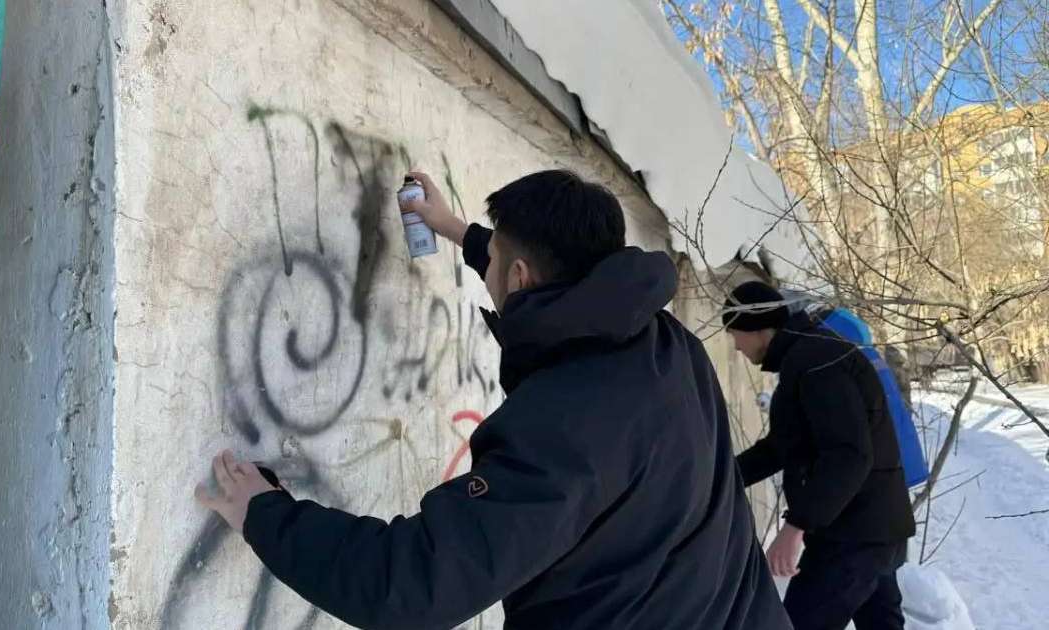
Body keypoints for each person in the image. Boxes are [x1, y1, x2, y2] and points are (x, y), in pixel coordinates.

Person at [195, 170, 790, 629]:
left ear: (522, 276)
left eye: (500, 259)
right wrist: (455, 229)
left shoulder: (563, 426)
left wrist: (264, 514)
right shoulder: (670, 345)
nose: (495, 266)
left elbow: (416, 582)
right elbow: (538, 278)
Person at [723, 281, 916, 630]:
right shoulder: (809, 357)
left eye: (735, 333)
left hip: (853, 535)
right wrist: (724, 477)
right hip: (869, 528)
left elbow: (849, 454)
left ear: (758, 328)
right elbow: (785, 445)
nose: (736, 345)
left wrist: (796, 526)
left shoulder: (816, 363)